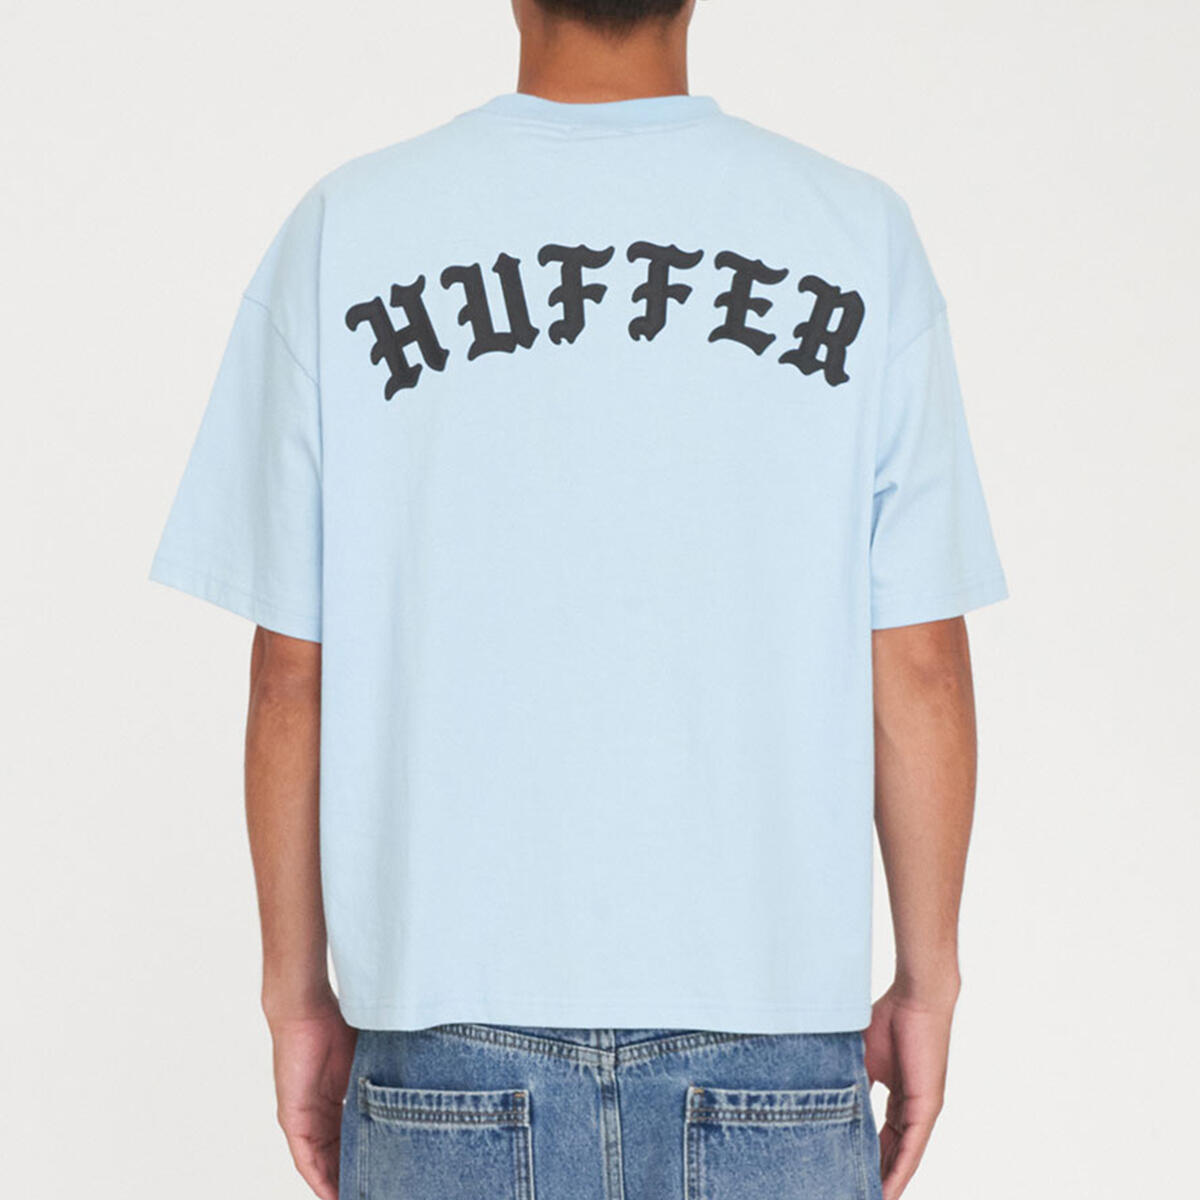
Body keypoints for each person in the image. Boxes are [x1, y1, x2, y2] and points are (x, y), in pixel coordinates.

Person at [149, 1, 1008, 1197]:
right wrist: (929, 978)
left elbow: (293, 675)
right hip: (769, 1041)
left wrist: (295, 994)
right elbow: (917, 663)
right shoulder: (856, 234)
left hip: (446, 1046)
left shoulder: (352, 227)